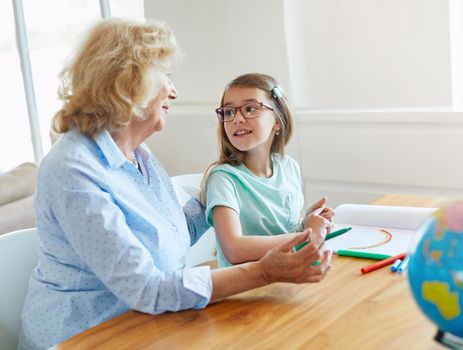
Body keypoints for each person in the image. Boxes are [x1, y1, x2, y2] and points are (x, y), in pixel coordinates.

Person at [18, 19, 332, 350]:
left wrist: (228, 190)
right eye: (165, 76)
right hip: (88, 335)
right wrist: (264, 273)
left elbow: (168, 232)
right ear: (131, 83)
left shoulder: (139, 154)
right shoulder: (73, 170)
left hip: (152, 321)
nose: (174, 91)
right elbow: (148, 288)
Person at [202, 73, 334, 267]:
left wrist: (307, 224)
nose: (237, 119)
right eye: (229, 112)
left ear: (277, 121)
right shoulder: (223, 179)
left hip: (289, 275)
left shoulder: (289, 167)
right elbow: (234, 249)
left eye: (250, 108)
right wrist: (306, 236)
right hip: (246, 290)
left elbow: (282, 233)